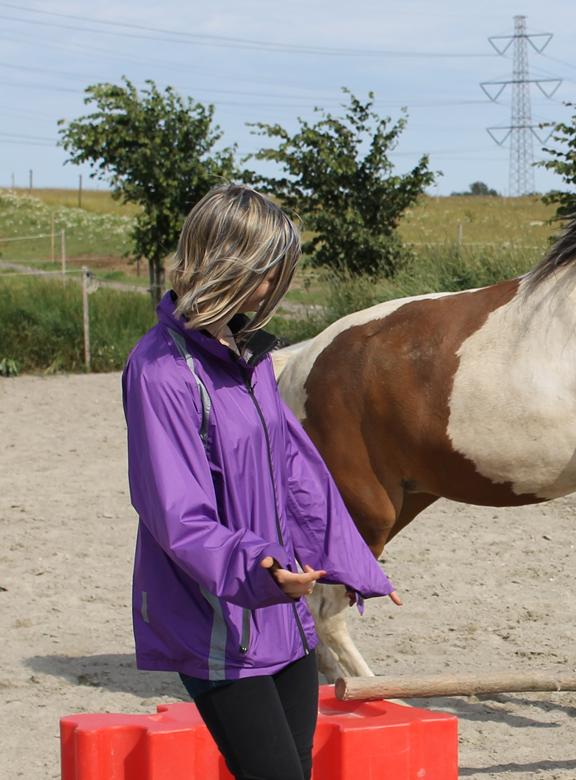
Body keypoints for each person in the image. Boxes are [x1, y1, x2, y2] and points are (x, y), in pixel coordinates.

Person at [122, 184, 401, 780]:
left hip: (283, 610)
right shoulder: (161, 371)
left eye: (278, 272)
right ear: (219, 260)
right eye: (263, 271)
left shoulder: (246, 355)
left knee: (295, 768)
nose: (272, 286)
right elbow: (176, 513)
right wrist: (261, 569)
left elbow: (298, 472)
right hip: (216, 617)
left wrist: (352, 561)